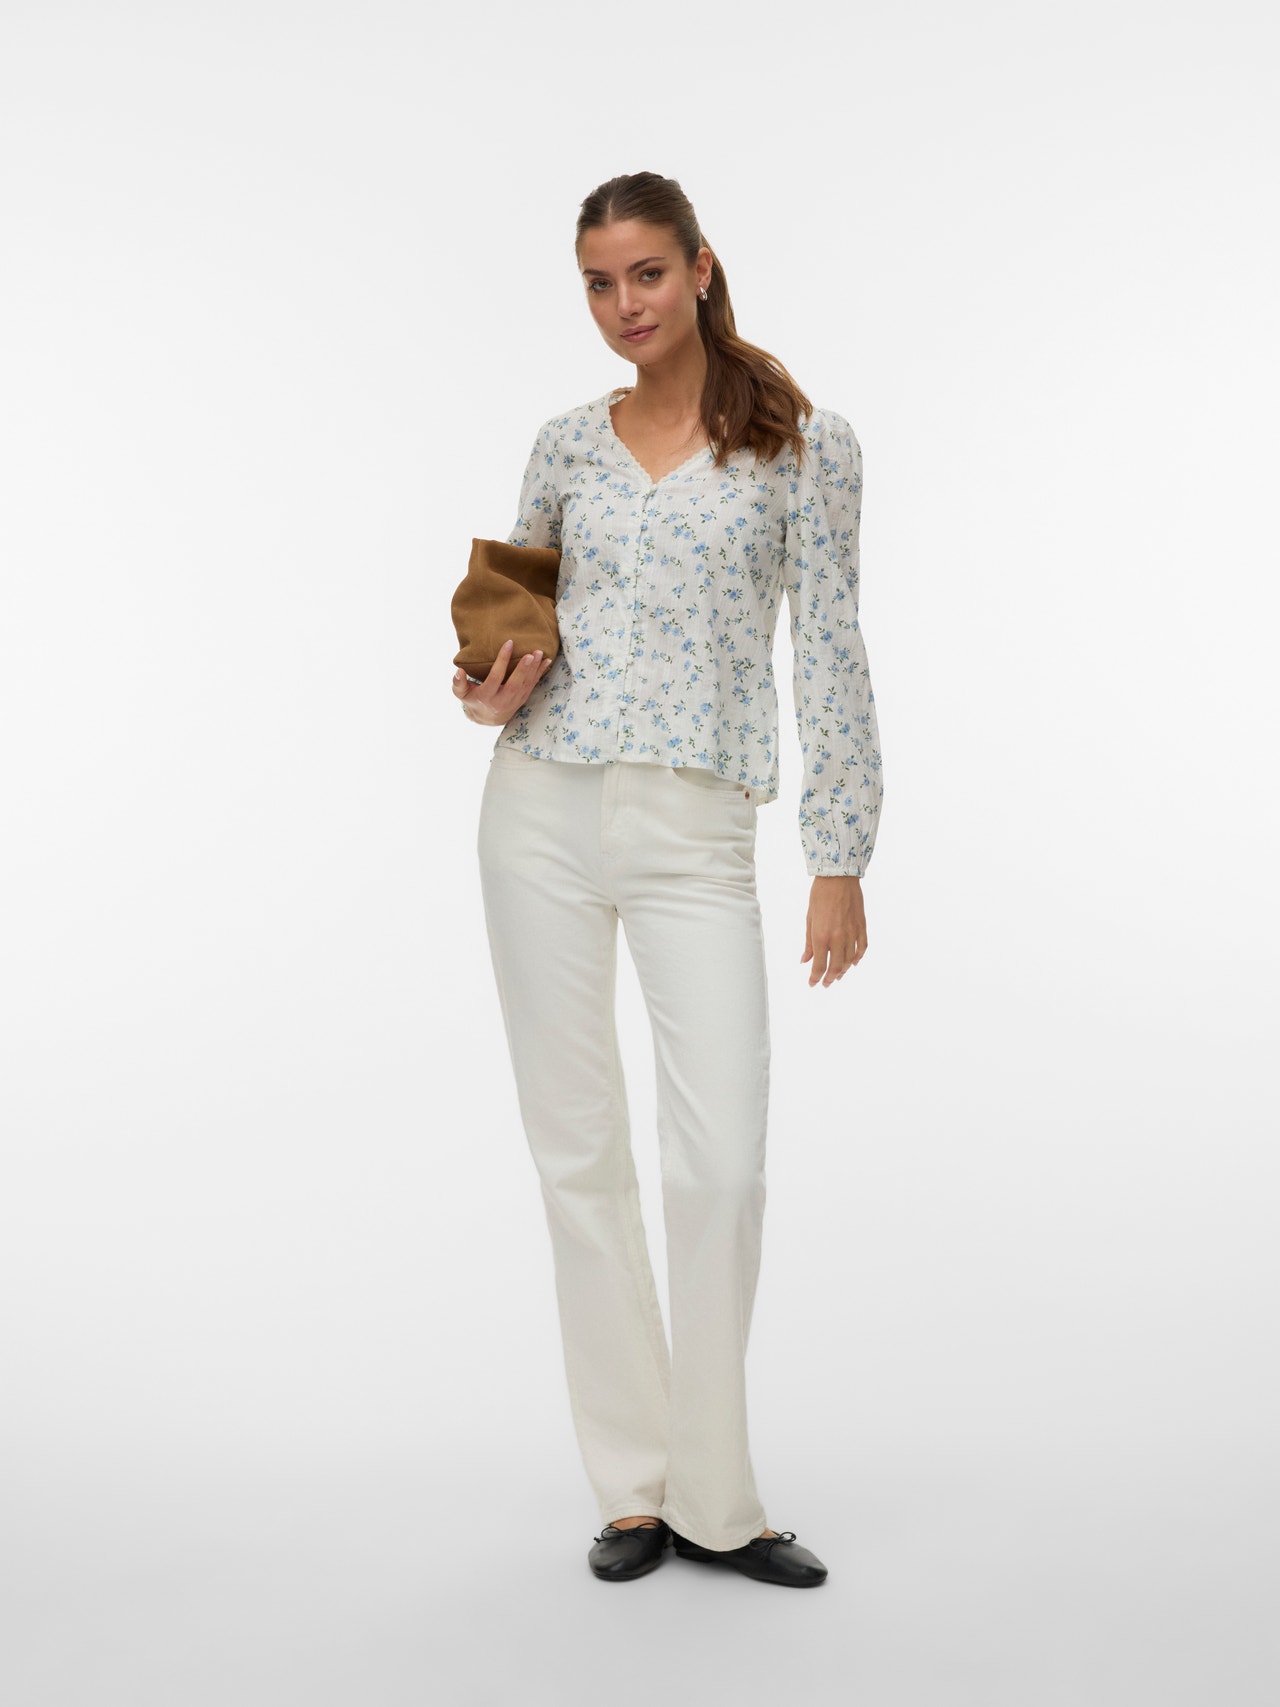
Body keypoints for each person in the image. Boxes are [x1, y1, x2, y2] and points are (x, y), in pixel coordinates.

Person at [451, 171, 884, 1588]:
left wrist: (839, 852)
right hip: (539, 811)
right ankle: (637, 1489)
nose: (622, 304)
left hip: (700, 829)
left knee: (721, 1168)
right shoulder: (564, 446)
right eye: (597, 281)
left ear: (701, 268)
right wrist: (487, 687)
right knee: (577, 1152)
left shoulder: (806, 449)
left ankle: (718, 1496)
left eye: (645, 272)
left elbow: (831, 653)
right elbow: (517, 628)